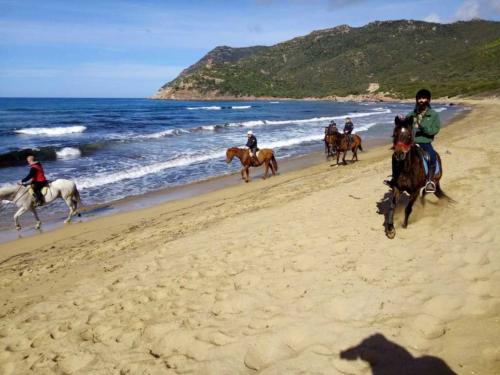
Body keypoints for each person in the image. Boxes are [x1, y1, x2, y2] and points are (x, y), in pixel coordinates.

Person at [385, 88, 441, 192]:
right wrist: (401, 121)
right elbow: (405, 127)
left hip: (425, 142)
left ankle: (430, 181)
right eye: (419, 98)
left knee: (432, 156)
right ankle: (394, 178)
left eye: (424, 98)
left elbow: (435, 130)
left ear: (428, 100)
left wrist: (422, 127)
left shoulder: (433, 115)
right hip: (410, 143)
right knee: (395, 156)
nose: (421, 100)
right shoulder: (411, 114)